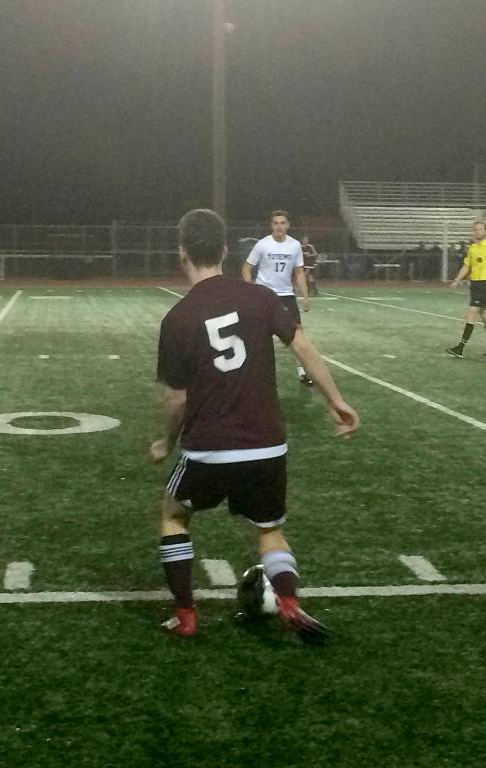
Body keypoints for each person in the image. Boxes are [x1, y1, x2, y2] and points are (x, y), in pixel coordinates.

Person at [151, 208, 359, 640]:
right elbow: (302, 346)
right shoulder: (261, 298)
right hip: (266, 446)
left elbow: (176, 399)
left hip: (208, 447)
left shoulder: (178, 319)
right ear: (226, 251)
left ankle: (186, 614)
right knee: (270, 531)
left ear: (182, 253)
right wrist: (336, 401)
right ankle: (289, 601)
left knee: (174, 515)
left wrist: (165, 442)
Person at [242, 211, 311, 385]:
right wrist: (251, 290)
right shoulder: (262, 245)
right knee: (258, 335)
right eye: (275, 223)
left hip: (286, 295)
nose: (279, 226)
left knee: (297, 333)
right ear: (271, 225)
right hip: (264, 295)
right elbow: (246, 268)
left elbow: (299, 272)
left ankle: (303, 372)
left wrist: (305, 296)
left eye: (282, 223)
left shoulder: (294, 245)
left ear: (288, 225)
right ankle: (253, 373)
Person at [446, 221, 486, 358]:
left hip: (483, 284)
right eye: (475, 230)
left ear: (485, 231)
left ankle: (460, 347)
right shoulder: (473, 248)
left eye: (480, 229)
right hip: (474, 284)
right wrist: (457, 280)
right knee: (485, 316)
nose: (477, 232)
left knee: (471, 313)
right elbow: (466, 266)